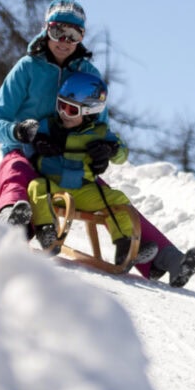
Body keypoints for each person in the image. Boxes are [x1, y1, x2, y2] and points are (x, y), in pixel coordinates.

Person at [0, 0, 195, 287]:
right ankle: (11, 222)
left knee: (107, 196)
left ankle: (167, 260)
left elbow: (100, 122)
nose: (64, 39)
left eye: (73, 34)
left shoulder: (87, 73)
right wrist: (18, 132)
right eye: (57, 31)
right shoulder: (27, 68)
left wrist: (100, 150)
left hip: (69, 159)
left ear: (81, 37)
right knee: (17, 174)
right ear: (46, 29)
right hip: (26, 152)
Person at [20, 71, 145, 266]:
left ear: (89, 112)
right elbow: (25, 142)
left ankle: (124, 243)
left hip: (83, 190)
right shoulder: (48, 126)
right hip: (53, 185)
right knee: (36, 187)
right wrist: (36, 142)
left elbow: (123, 154)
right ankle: (46, 232)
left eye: (71, 110)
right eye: (61, 106)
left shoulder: (100, 133)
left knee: (117, 199)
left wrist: (110, 149)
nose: (63, 114)